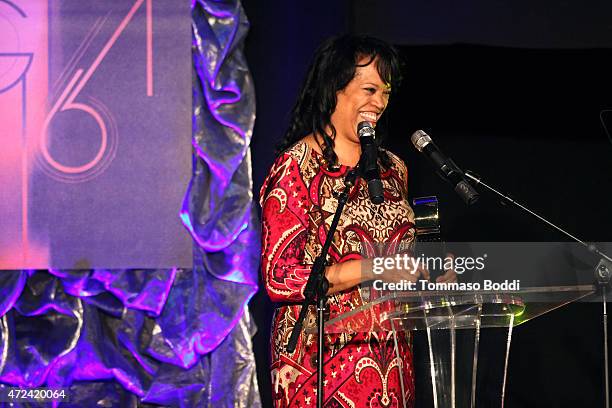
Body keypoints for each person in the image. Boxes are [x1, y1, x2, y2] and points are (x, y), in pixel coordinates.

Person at [259, 34, 455, 408]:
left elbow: (403, 259)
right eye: (369, 89)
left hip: (392, 361)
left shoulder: (393, 168)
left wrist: (431, 271)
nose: (379, 103)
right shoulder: (297, 166)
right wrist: (372, 268)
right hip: (319, 363)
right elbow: (278, 277)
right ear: (335, 87)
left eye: (385, 92)